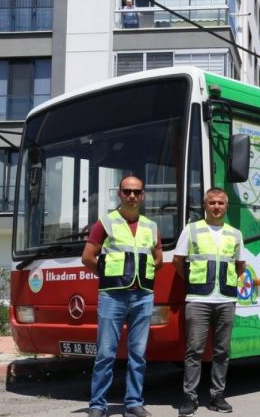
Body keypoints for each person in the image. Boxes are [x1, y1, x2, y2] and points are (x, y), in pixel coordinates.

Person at [82, 175, 163, 417]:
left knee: (138, 353)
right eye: (127, 191)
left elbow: (158, 258)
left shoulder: (151, 226)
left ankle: (134, 403)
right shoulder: (105, 222)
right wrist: (108, 277)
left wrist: (144, 274)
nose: (132, 196)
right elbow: (87, 257)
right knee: (106, 352)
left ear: (143, 195)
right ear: (119, 194)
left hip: (143, 296)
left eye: (137, 192)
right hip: (113, 297)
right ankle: (97, 405)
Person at [173, 187, 245, 416]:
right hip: (198, 299)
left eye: (220, 203)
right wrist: (195, 282)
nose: (216, 207)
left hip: (226, 299)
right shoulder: (191, 230)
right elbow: (177, 261)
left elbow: (239, 264)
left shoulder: (235, 234)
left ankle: (217, 396)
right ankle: (190, 398)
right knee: (194, 350)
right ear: (205, 206)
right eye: (212, 203)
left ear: (226, 206)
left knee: (222, 351)